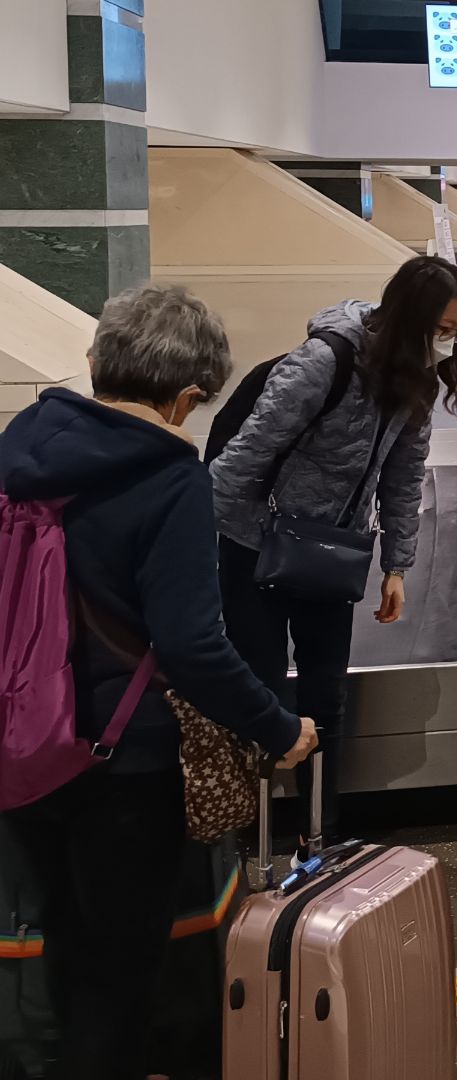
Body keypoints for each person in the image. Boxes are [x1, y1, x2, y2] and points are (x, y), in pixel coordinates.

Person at [2, 285, 318, 1080]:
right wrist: (279, 728)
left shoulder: (19, 449)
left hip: (24, 742)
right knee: (121, 971)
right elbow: (192, 645)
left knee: (64, 946)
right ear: (184, 398)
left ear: (94, 362)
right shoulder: (172, 480)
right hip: (123, 763)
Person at [211, 255, 457, 839]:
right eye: (442, 330)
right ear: (408, 318)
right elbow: (245, 456)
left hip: (331, 552)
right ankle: (242, 837)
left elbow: (404, 474)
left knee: (324, 695)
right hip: (254, 545)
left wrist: (397, 564)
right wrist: (195, 542)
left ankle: (319, 832)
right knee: (257, 691)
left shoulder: (418, 380)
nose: (449, 344)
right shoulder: (324, 361)